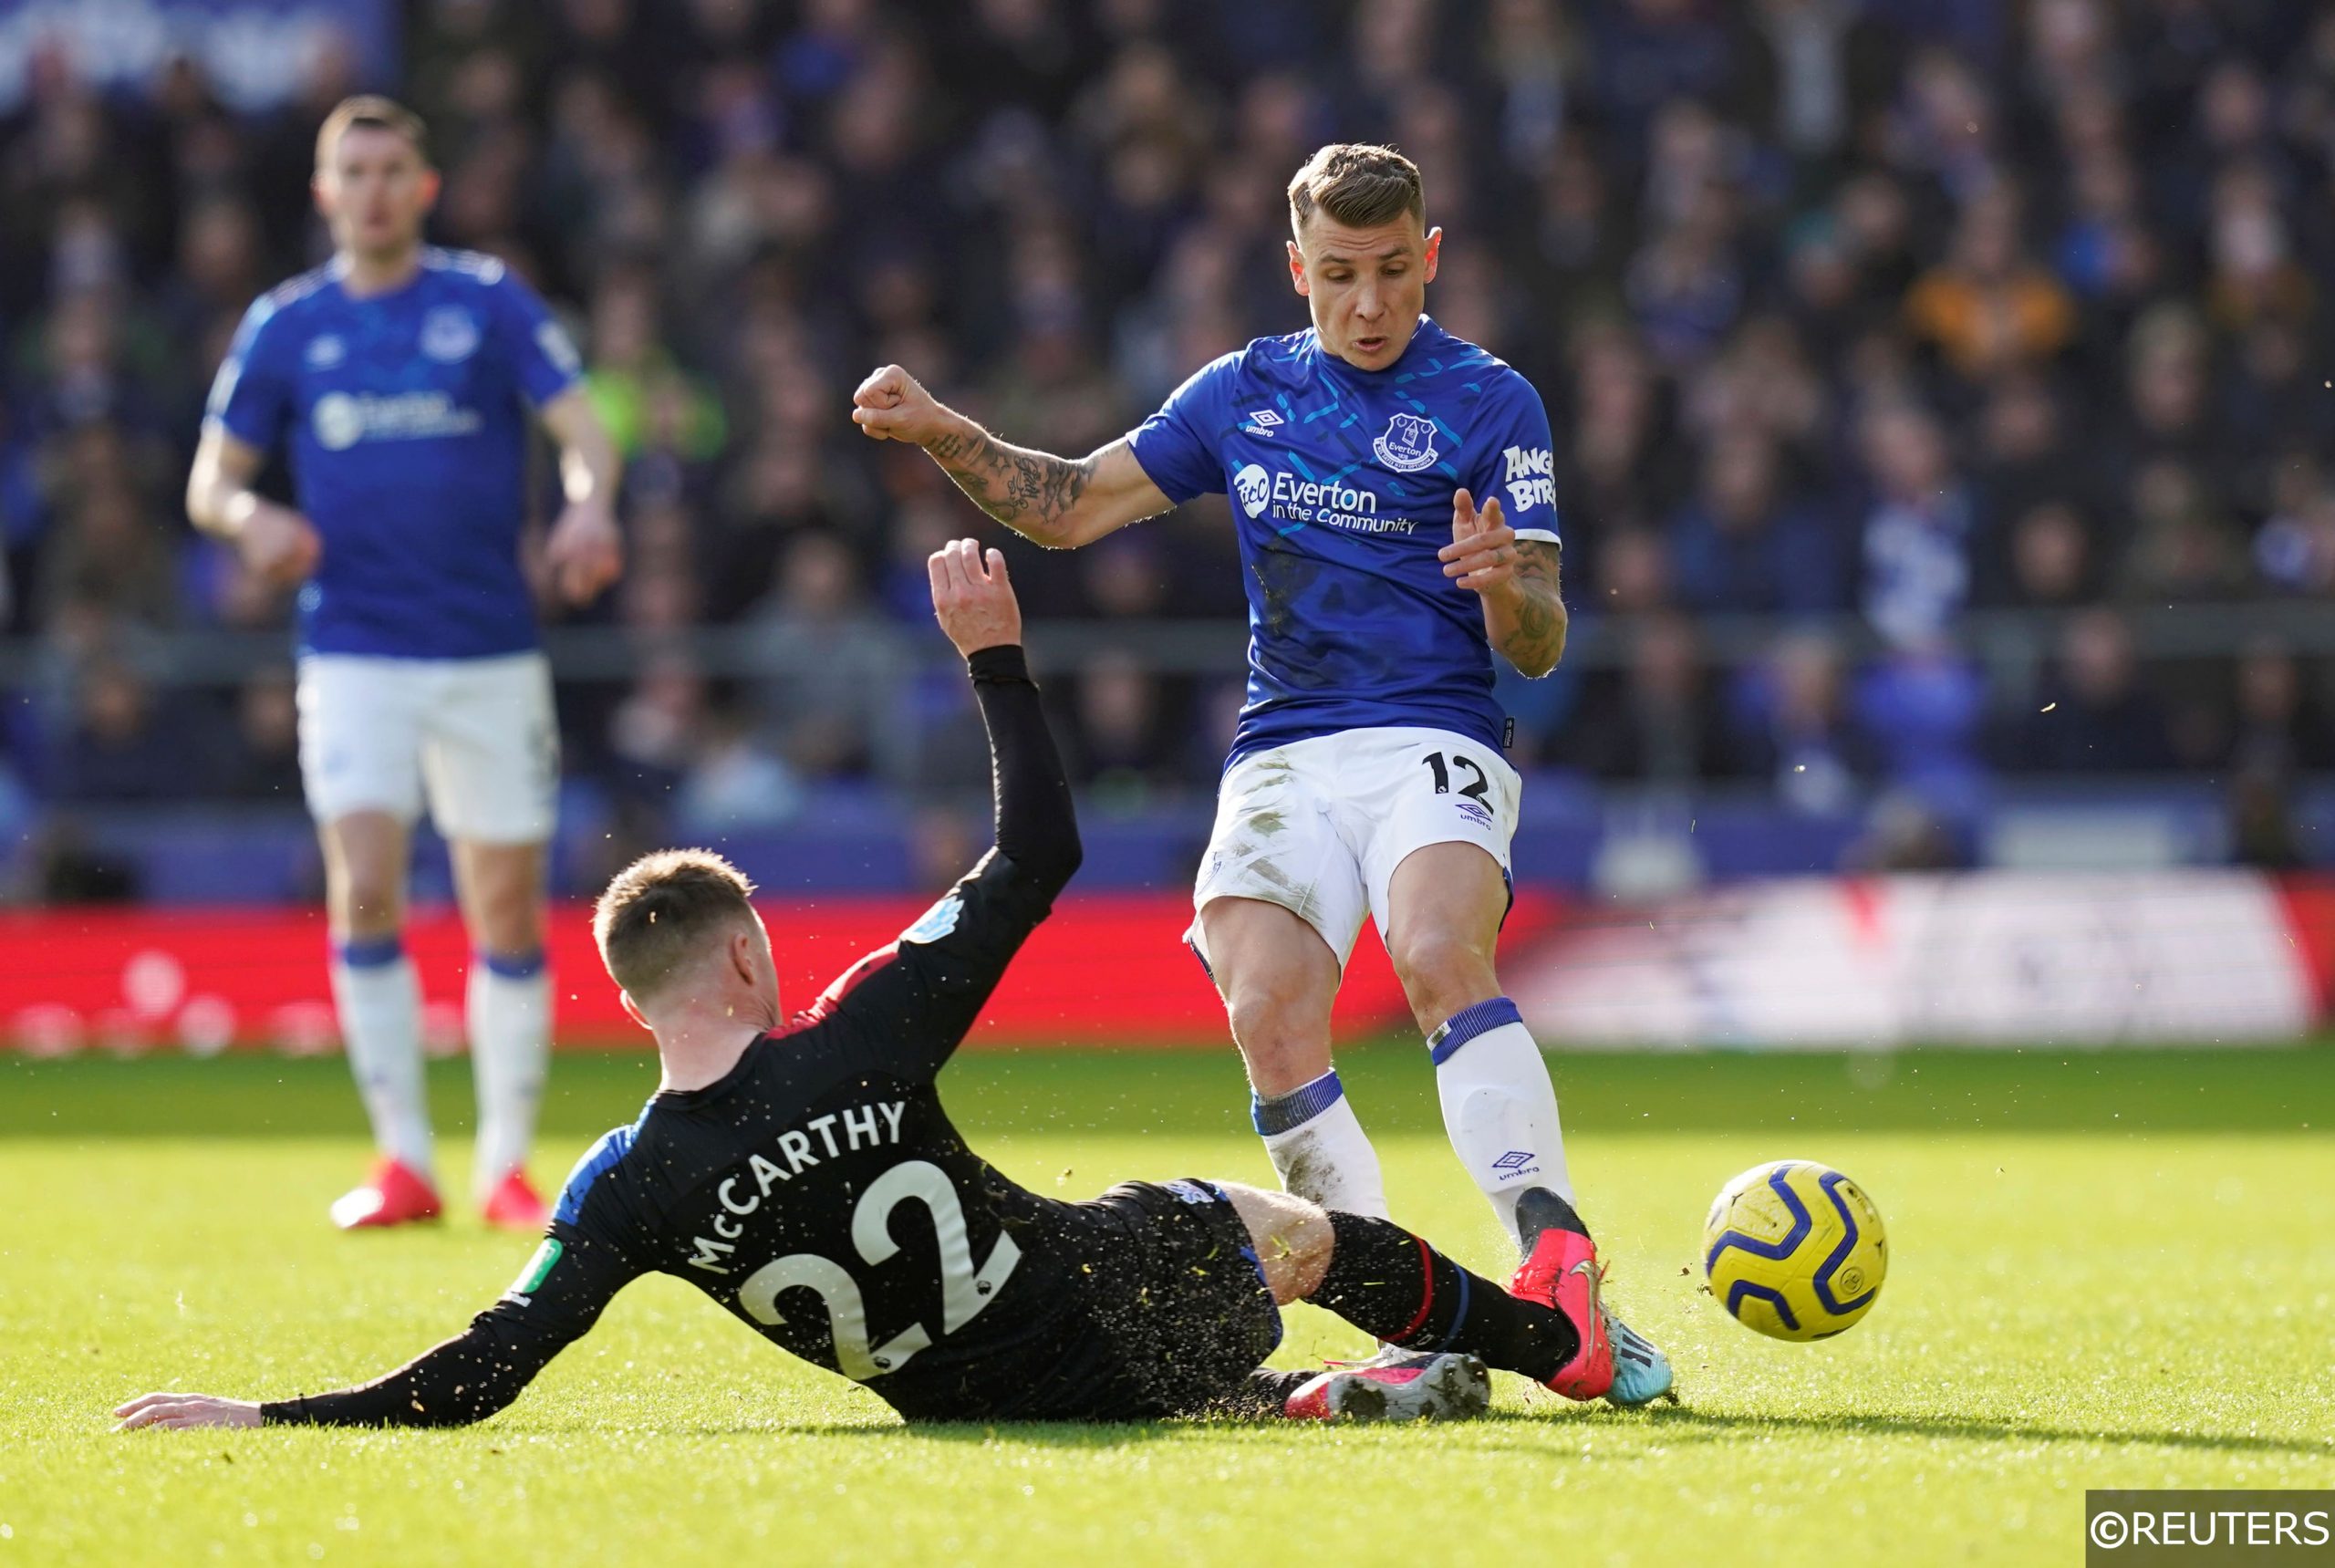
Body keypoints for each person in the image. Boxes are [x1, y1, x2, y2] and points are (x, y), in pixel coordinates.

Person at [113, 542, 1602, 1432]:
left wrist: (262, 1411)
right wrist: (999, 661)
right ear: (747, 956)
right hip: (1104, 1314)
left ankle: (1298, 1406)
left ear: (637, 998)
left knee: (1109, 1323)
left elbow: (487, 1365)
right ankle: (1566, 1342)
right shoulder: (863, 1030)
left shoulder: (624, 1183)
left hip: (969, 1407)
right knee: (1284, 1225)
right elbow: (1041, 848)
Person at [852, 144, 1669, 1407]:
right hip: (1285, 743)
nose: (1369, 302)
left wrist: (1510, 582)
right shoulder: (1245, 392)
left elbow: (1543, 645)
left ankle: (1555, 1262)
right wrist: (942, 429)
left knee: (1439, 948)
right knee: (1266, 1010)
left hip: (1431, 734)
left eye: (1395, 271)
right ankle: (1418, 1321)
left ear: (1429, 256)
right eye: (1340, 275)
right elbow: (1069, 505)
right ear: (1298, 269)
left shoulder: (1493, 399)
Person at [185, 97, 624, 1231]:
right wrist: (251, 522)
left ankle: (506, 1169)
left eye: (393, 169)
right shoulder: (287, 326)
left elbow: (584, 432)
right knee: (367, 886)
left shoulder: (484, 302)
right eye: (354, 171)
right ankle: (403, 1162)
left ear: (424, 188)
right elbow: (210, 480)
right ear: (326, 193)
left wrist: (587, 512)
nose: (374, 189)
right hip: (354, 652)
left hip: (488, 652)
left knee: (507, 912)